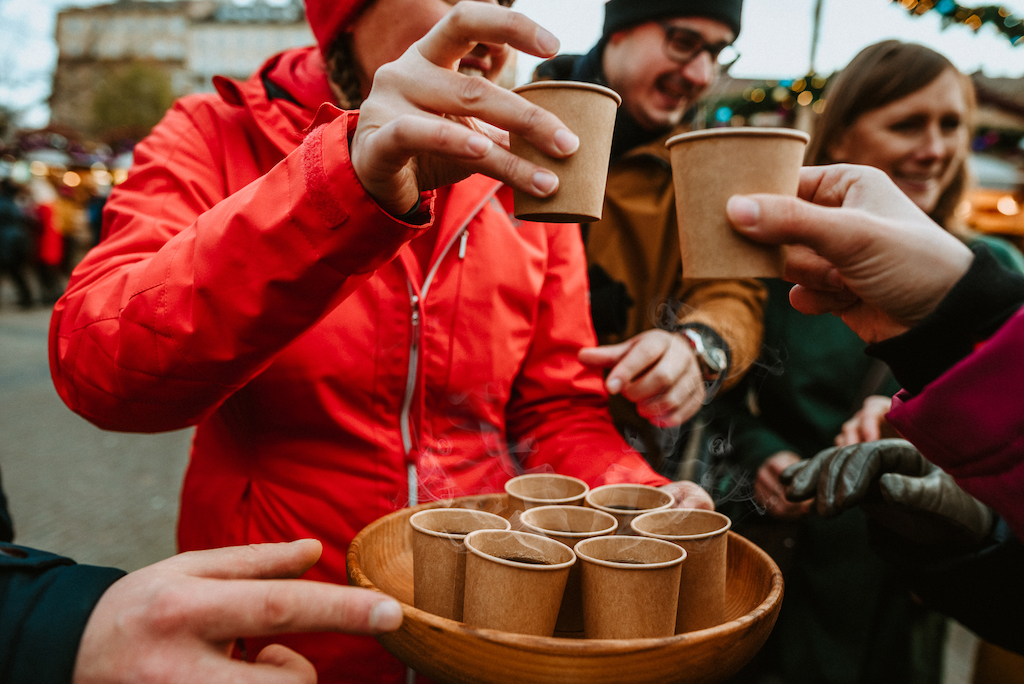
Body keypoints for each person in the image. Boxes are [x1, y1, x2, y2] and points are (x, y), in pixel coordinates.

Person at [48, 2, 710, 682]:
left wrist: (632, 494)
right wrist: (344, 186)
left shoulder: (523, 166)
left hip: (479, 628)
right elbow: (100, 371)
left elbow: (554, 409)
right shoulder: (215, 132)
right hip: (284, 637)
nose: (487, 19)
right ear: (347, 15)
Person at [724, 162, 1024, 655]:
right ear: (844, 141)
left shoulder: (995, 262)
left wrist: (967, 518)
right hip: (806, 555)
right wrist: (764, 452)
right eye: (906, 124)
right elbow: (731, 405)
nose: (932, 148)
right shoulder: (790, 277)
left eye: (950, 123)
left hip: (897, 594)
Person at [533, 0, 767, 472]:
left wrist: (697, 348)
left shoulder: (701, 170)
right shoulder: (506, 131)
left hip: (622, 464)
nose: (702, 74)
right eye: (683, 43)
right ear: (618, 31)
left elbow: (732, 293)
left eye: (719, 53)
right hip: (479, 451)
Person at [0, 179, 34, 310]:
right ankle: (27, 297)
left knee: (13, 271)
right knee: (17, 272)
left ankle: (26, 298)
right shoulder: (15, 202)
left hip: (7, 242)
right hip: (17, 240)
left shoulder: (4, 202)